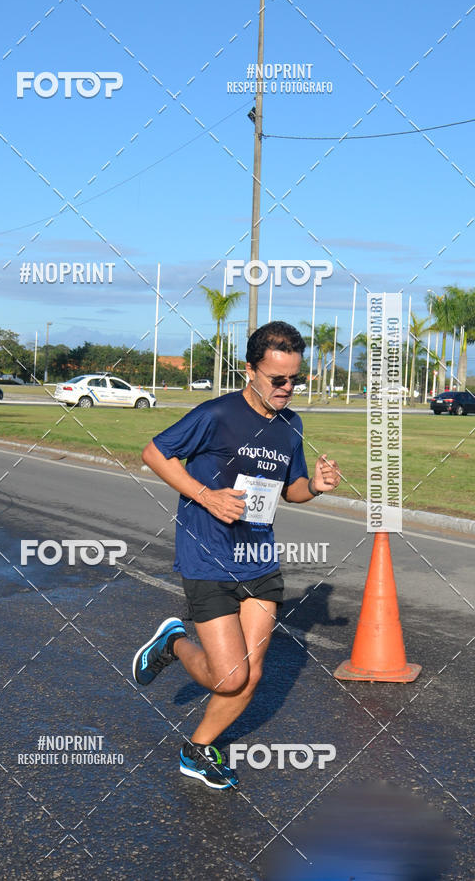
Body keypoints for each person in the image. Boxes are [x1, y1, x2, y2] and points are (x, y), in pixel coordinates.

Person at [131, 321, 341, 789]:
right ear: (250, 370)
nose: (287, 388)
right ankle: (174, 643)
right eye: (277, 379)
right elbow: (154, 453)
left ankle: (197, 750)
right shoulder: (217, 414)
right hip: (207, 556)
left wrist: (316, 486)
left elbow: (291, 490)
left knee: (252, 674)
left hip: (259, 557)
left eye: (295, 379)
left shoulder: (291, 425)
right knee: (229, 677)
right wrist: (207, 496)